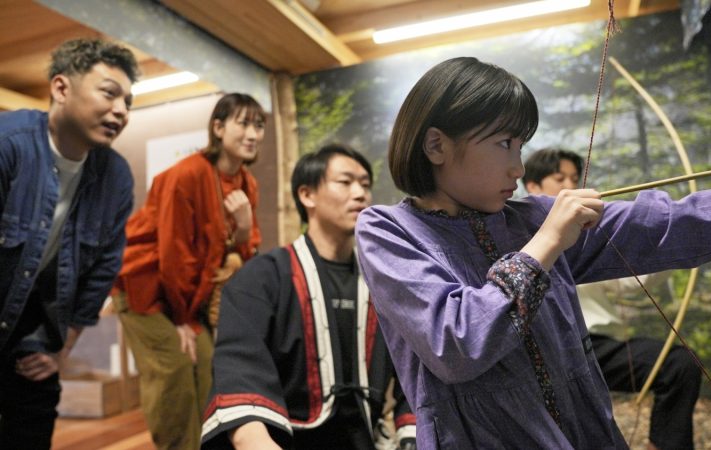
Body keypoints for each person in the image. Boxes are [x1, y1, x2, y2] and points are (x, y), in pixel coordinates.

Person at [354, 56, 711, 449]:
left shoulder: (529, 218)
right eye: (504, 143)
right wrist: (547, 241)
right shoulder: (387, 230)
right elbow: (456, 342)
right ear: (437, 145)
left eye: (521, 146)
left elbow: (662, 224)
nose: (518, 167)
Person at [201, 144, 416, 450]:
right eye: (345, 182)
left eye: (365, 185)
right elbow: (239, 370)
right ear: (307, 195)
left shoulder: (384, 282)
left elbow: (415, 375)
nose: (360, 194)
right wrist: (254, 439)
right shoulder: (261, 278)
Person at [0, 38, 138, 448]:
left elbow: (102, 271)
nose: (121, 110)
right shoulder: (8, 144)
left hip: (31, 334)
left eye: (128, 102)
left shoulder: (115, 177)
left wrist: (63, 350)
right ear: (61, 88)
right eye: (109, 93)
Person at [113, 93, 266, 449]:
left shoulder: (247, 183)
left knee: (211, 364)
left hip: (187, 297)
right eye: (243, 123)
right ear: (218, 128)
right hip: (145, 289)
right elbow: (174, 255)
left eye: (259, 126)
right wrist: (182, 319)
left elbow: (243, 253)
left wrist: (244, 228)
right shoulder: (187, 174)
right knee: (175, 368)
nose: (253, 134)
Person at [524, 148, 700, 450]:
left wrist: (675, 243)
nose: (570, 184)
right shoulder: (516, 233)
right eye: (559, 178)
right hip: (548, 352)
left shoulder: (583, 233)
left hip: (598, 346)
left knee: (678, 364)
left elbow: (630, 282)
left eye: (574, 178)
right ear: (532, 186)